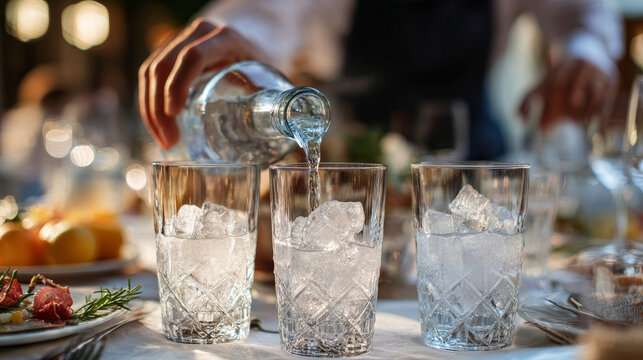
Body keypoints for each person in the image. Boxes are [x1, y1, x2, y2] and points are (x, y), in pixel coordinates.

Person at [138, 0, 622, 160]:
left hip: (472, 163)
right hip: (348, 163)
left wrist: (588, 53)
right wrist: (238, 39)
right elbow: (263, 14)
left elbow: (588, 15)